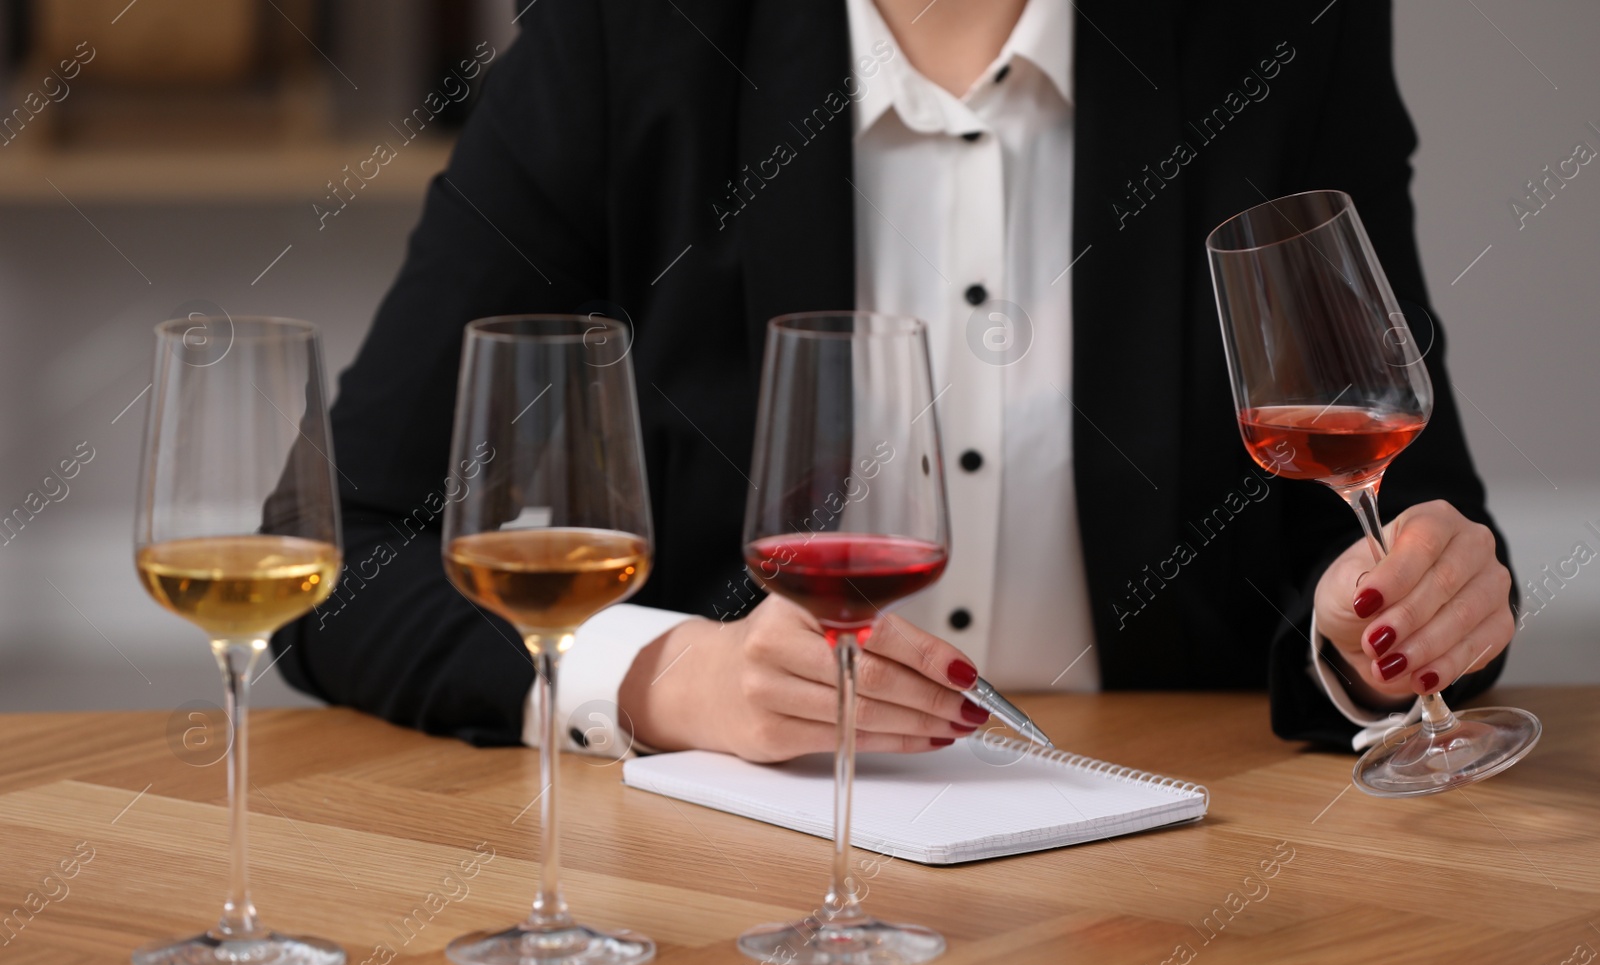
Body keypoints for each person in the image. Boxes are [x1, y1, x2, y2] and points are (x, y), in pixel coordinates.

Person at [274, 0, 1515, 763]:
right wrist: (667, 678)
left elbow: (1403, 523)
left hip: (1191, 877)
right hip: (724, 892)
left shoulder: (1281, 25)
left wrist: (1373, 632)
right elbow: (334, 553)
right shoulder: (628, 31)